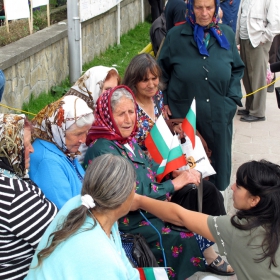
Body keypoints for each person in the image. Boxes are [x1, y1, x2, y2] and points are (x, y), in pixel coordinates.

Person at [84, 86, 234, 279]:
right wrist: (175, 184)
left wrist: (174, 173)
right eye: (121, 114)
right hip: (132, 218)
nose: (129, 119)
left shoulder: (125, 141)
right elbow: (130, 193)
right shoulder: (103, 149)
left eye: (131, 112)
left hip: (154, 202)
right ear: (108, 115)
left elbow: (147, 165)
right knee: (185, 234)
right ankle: (203, 259)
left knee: (205, 192)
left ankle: (218, 245)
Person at [131, 159, 280, 279]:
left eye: (239, 186)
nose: (233, 187)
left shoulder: (238, 230)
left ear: (254, 200)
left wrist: (138, 200)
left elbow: (180, 216)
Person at [157, 0, 244, 191]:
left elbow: (237, 70)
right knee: (187, 171)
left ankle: (213, 213)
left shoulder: (226, 35)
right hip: (184, 118)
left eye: (209, 7)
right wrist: (162, 100)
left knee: (217, 172)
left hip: (219, 115)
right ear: (190, 8)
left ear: (216, 8)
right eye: (199, 7)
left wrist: (231, 100)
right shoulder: (175, 37)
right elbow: (159, 73)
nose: (204, 13)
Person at [25, 154, 140, 280]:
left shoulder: (81, 203)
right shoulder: (99, 258)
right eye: (134, 189)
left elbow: (125, 264)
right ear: (122, 198)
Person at [0, 114, 57, 280]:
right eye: (25, 145)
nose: (32, 150)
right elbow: (58, 237)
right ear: (9, 147)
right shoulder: (15, 195)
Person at [29, 95, 94, 209]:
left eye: (86, 132)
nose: (83, 140)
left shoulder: (61, 145)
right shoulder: (48, 162)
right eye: (78, 134)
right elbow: (65, 213)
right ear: (60, 129)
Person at [65, 66, 121, 163]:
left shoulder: (107, 110)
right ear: (94, 88)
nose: (112, 94)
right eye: (107, 89)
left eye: (115, 89)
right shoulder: (74, 113)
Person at [236, 0, 280, 122]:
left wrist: (264, 38)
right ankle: (250, 107)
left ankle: (258, 112)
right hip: (245, 38)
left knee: (257, 76)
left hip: (258, 40)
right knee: (247, 76)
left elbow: (275, 22)